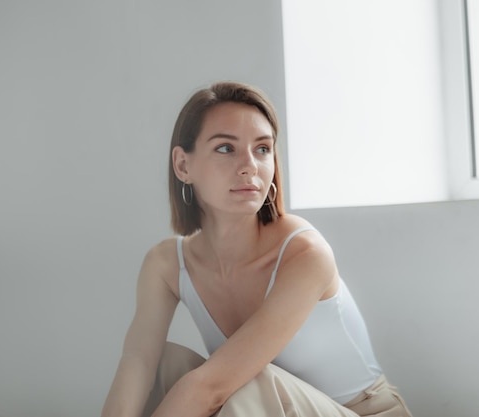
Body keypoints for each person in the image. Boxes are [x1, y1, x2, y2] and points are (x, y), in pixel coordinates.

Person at [101, 81, 413, 417]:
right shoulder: (166, 264)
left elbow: (212, 388)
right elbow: (137, 364)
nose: (250, 165)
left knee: (249, 381)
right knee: (162, 363)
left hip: (363, 413)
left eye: (262, 149)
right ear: (183, 166)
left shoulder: (304, 253)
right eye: (225, 148)